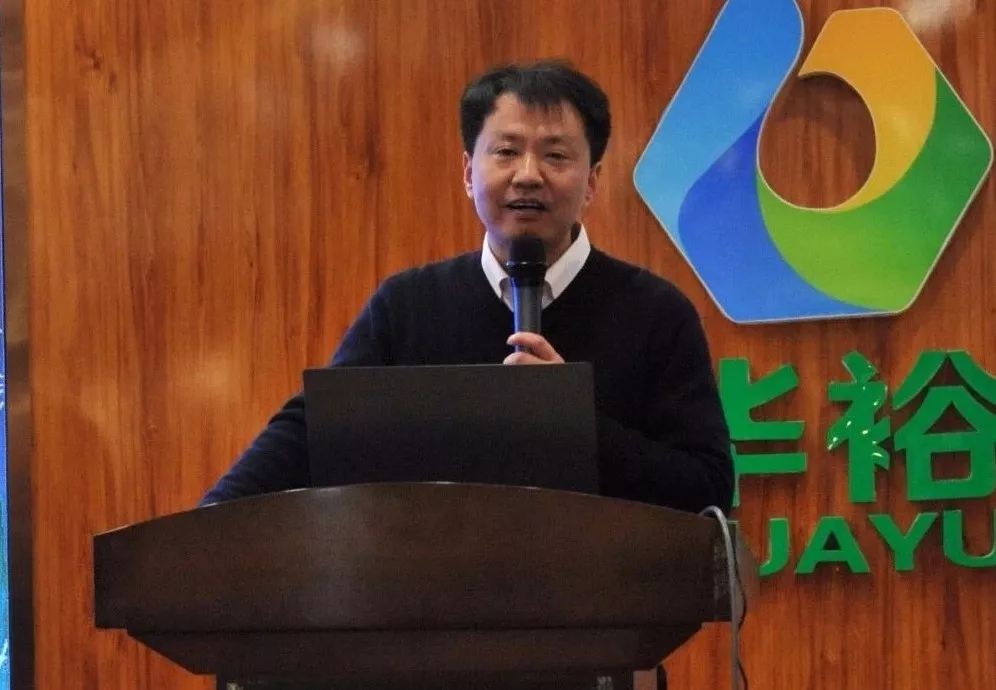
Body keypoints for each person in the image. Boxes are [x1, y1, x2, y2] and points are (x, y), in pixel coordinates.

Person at [200, 59, 734, 516]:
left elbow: (707, 487)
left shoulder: (657, 313)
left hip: (603, 598)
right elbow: (315, 430)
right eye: (506, 152)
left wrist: (573, 423)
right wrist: (206, 525)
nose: (528, 175)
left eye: (555, 155)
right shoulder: (407, 306)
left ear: (592, 181)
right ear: (467, 171)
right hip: (431, 593)